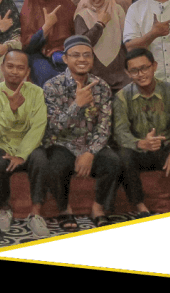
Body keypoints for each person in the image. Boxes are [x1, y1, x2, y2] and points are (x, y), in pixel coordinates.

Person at [37, 35, 120, 230]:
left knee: (113, 161)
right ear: (65, 59)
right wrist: (77, 104)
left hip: (91, 143)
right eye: (76, 55)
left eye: (87, 55)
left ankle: (98, 209)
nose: (82, 59)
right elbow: (54, 127)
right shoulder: (52, 86)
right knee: (55, 163)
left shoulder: (102, 87)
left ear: (93, 59)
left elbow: (104, 126)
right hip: (62, 143)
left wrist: (90, 153)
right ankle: (64, 210)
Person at [114, 48, 170, 213]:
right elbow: (120, 133)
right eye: (134, 70)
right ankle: (140, 207)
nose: (141, 74)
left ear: (154, 66)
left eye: (144, 68)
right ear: (127, 73)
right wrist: (141, 143)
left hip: (167, 148)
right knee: (123, 156)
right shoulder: (122, 97)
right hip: (139, 151)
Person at [0, 49, 49, 237]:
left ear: (27, 71)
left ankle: (36, 213)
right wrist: (12, 109)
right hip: (2, 144)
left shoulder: (36, 92)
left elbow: (38, 127)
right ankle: (3, 208)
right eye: (10, 66)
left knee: (41, 159)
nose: (15, 71)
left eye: (20, 68)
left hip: (29, 145)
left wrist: (22, 154)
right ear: (2, 68)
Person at [19, 0, 76, 86]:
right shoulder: (28, 11)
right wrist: (46, 27)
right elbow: (27, 47)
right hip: (39, 54)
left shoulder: (67, 5)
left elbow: (76, 33)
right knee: (46, 75)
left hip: (66, 50)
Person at [74, 0, 130, 92]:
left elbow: (126, 40)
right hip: (94, 74)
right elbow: (83, 44)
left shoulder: (117, 10)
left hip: (120, 71)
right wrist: (100, 24)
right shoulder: (82, 15)